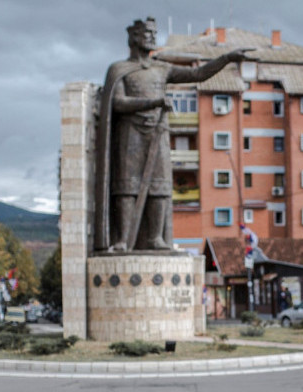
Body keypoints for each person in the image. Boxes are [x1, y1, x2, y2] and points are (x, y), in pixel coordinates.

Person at [94, 18, 254, 251]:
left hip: (157, 133)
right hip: (130, 134)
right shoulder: (119, 69)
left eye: (153, 33)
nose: (151, 37)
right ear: (133, 38)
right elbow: (117, 103)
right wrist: (154, 102)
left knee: (159, 186)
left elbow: (198, 74)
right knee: (126, 187)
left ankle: (155, 238)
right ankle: (122, 240)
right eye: (146, 33)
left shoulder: (162, 69)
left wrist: (227, 58)